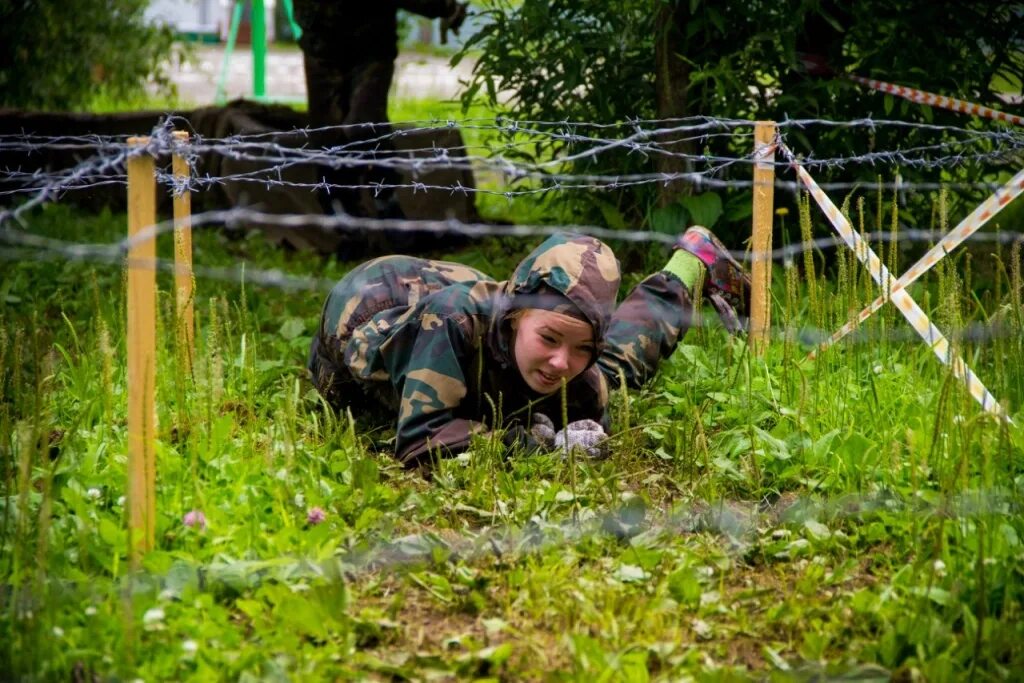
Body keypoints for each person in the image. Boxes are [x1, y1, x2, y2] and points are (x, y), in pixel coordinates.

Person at [308, 227, 750, 467]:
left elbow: (594, 409)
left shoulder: (565, 351)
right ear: (517, 316)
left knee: (614, 372)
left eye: (582, 348)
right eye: (549, 339)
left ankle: (690, 263)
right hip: (375, 303)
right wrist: (532, 444)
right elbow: (422, 441)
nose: (562, 362)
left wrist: (586, 433)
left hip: (469, 297)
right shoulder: (447, 322)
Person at [292, 1, 468, 228]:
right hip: (322, 47)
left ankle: (384, 195)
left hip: (370, 48)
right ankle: (343, 220)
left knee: (364, 125)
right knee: (327, 138)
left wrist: (446, 8)